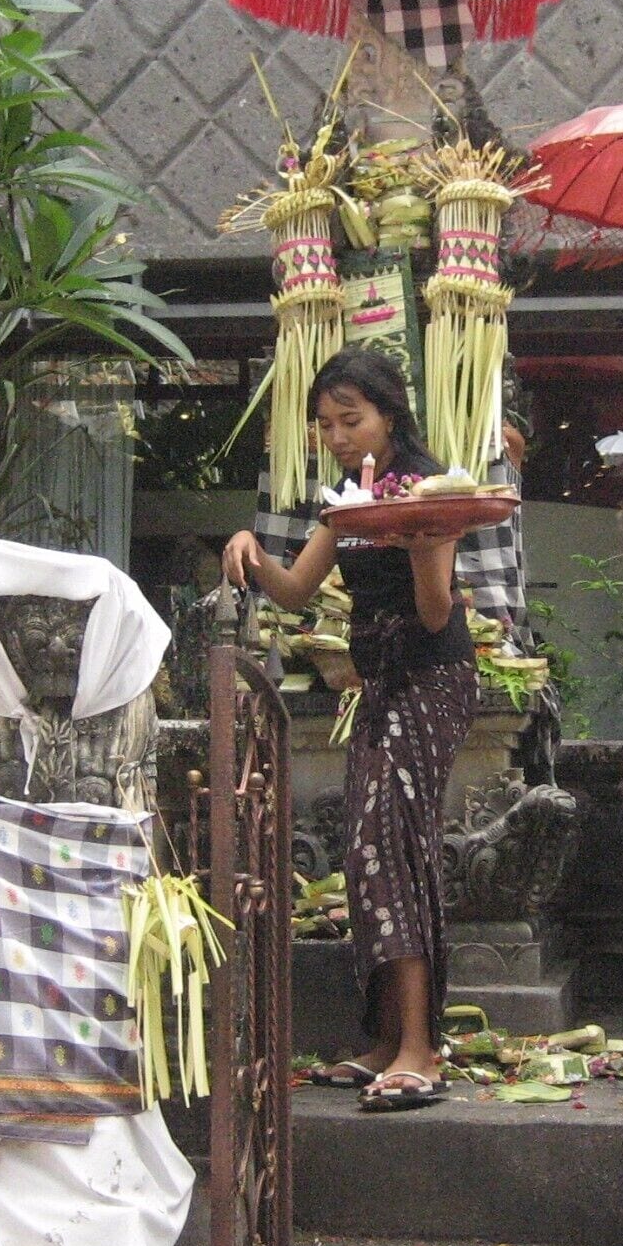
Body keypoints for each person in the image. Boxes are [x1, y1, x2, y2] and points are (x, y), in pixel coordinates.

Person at [221, 348, 476, 1112]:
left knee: (394, 846)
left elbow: (435, 613)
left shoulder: (428, 489)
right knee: (366, 853)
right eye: (324, 424)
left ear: (389, 415)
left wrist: (422, 544)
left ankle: (419, 1050)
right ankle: (386, 1040)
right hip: (377, 686)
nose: (335, 436)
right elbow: (297, 590)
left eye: (350, 420)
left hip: (430, 680)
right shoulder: (350, 497)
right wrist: (250, 552)